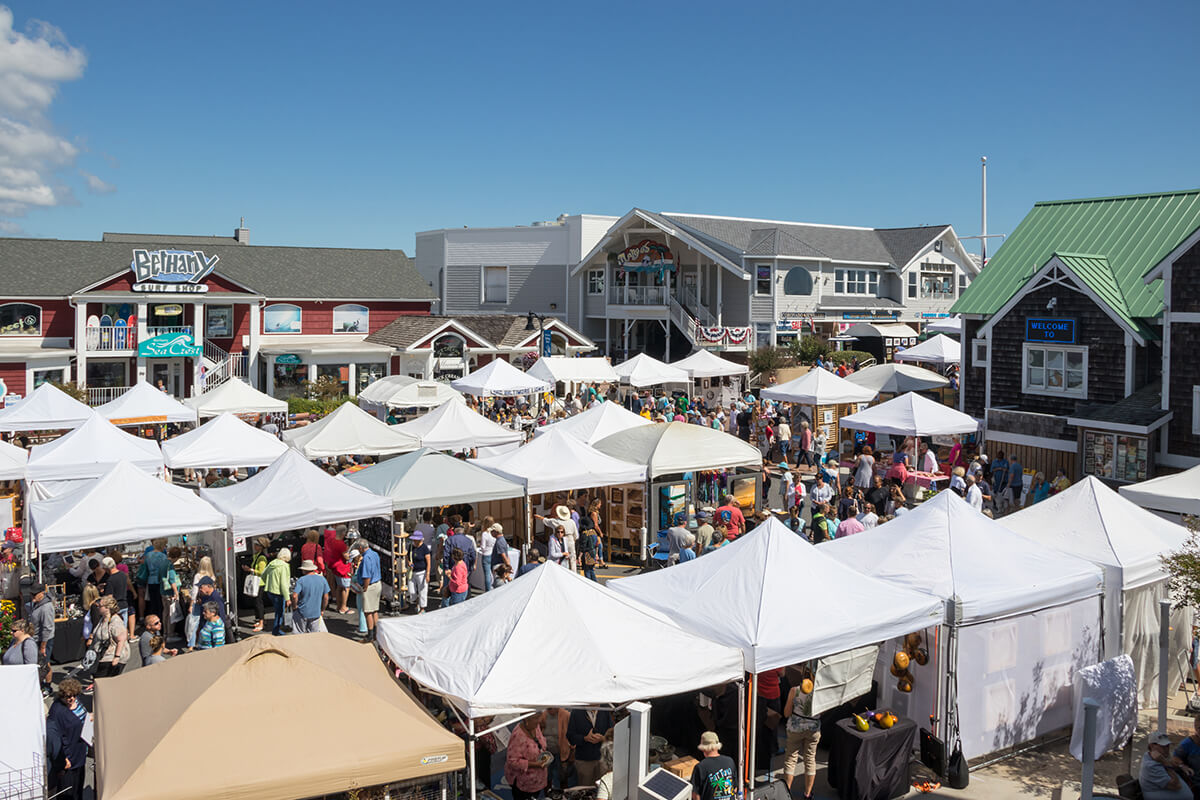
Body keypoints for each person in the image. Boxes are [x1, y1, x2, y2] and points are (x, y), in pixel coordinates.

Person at [46, 678, 87, 800]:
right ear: (63, 695)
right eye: (68, 696)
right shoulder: (57, 711)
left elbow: (81, 716)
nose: (72, 699)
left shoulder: (76, 702)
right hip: (68, 758)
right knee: (67, 793)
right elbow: (55, 738)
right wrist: (62, 760)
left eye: (74, 695)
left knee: (78, 789)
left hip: (80, 753)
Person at [782, 678, 821, 800]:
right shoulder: (821, 692)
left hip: (795, 728)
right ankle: (807, 794)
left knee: (791, 759)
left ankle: (787, 793)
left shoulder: (795, 690)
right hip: (813, 728)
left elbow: (787, 713)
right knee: (810, 759)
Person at [505, 710, 551, 800]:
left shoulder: (535, 726)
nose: (539, 720)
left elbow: (540, 742)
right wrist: (536, 764)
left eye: (539, 717)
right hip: (524, 784)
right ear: (526, 720)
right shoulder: (518, 735)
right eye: (536, 718)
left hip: (537, 780)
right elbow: (512, 761)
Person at [567, 708, 614, 788]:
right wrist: (585, 738)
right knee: (585, 789)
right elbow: (570, 737)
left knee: (603, 788)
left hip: (603, 760)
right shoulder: (576, 712)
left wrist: (603, 738)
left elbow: (612, 732)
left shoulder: (604, 710)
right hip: (584, 760)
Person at [1141, 731, 1194, 800]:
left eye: (1168, 746)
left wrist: (1182, 766)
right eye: (1163, 746)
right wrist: (1165, 763)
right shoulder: (1150, 766)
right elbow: (1176, 785)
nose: (1167, 749)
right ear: (1152, 746)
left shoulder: (1159, 756)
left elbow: (1171, 761)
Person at [92, 596, 130, 677]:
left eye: (100, 605)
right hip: (103, 654)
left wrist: (116, 657)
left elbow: (121, 640)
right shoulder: (103, 618)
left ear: (107, 608)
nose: (98, 607)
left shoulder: (115, 621)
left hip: (112, 656)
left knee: (102, 680)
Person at [691, 731, 735, 800]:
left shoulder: (700, 767)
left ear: (703, 748)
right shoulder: (730, 761)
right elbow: (735, 788)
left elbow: (695, 794)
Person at [185, 556, 217, 648]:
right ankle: (205, 643)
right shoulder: (212, 577)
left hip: (198, 602)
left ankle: (191, 645)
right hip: (208, 603)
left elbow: (194, 592)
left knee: (193, 625)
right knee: (207, 623)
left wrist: (191, 604)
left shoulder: (198, 576)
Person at [355, 538, 383, 639]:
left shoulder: (366, 558)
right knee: (375, 610)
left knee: (367, 611)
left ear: (361, 548)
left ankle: (370, 635)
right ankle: (377, 633)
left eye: (358, 549)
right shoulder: (374, 554)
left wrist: (365, 587)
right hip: (377, 584)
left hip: (370, 586)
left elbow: (367, 575)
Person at [291, 559, 329, 633]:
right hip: (316, 612)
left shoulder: (301, 580)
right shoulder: (322, 579)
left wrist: (294, 606)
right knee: (314, 636)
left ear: (304, 570)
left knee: (299, 634)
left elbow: (294, 596)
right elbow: (326, 597)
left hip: (302, 611)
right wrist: (322, 610)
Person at [262, 546, 292, 637]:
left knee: (277, 611)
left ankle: (277, 630)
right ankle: (276, 631)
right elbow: (283, 584)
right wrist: (287, 598)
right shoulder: (284, 566)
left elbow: (263, 575)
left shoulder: (272, 563)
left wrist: (269, 582)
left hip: (270, 591)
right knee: (279, 613)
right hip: (279, 592)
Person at [242, 537, 270, 632]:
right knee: (257, 602)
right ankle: (260, 620)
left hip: (260, 583)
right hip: (257, 582)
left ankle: (261, 622)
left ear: (261, 547)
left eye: (256, 545)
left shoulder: (262, 557)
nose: (254, 546)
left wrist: (250, 570)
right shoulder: (257, 555)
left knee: (259, 603)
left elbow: (262, 572)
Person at [25, 582, 55, 668]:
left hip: (43, 640)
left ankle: (47, 681)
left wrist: (43, 646)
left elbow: (47, 628)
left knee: (44, 664)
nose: (32, 596)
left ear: (42, 593)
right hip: (36, 638)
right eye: (31, 593)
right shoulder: (36, 603)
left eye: (34, 594)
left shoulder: (46, 607)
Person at [326, 528, 353, 614]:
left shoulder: (332, 542)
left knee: (339, 587)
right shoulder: (341, 544)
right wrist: (351, 554)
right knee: (346, 588)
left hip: (336, 568)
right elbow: (346, 557)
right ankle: (343, 607)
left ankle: (339, 606)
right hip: (343, 569)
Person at [409, 530, 431, 612]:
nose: (415, 541)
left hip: (422, 572)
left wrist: (427, 574)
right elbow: (408, 556)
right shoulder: (411, 546)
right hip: (412, 572)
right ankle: (417, 602)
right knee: (411, 591)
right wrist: (409, 562)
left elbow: (428, 562)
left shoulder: (425, 548)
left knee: (423, 591)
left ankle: (422, 608)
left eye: (416, 540)